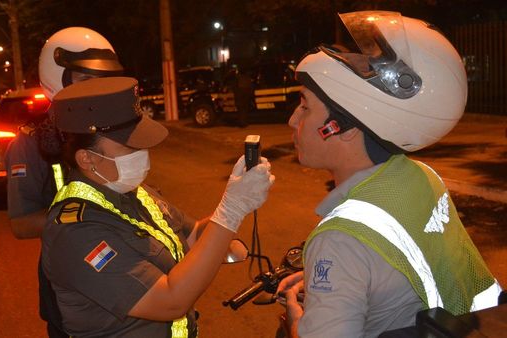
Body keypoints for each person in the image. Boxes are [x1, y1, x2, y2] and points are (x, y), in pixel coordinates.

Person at [276, 11, 502, 338]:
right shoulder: (423, 176)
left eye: (305, 106)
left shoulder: (339, 241)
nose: (293, 120)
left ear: (341, 128)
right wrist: (335, 282)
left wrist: (295, 317)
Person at [41, 76, 274, 337]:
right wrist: (232, 210)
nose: (142, 151)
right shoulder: (75, 232)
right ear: (86, 158)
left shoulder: (129, 190)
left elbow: (193, 234)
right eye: (129, 145)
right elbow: (170, 302)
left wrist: (236, 193)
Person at [3, 27, 124, 337]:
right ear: (57, 79)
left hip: (122, 271)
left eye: (101, 80)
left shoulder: (110, 130)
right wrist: (89, 213)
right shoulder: (31, 143)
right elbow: (21, 224)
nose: (96, 89)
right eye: (85, 80)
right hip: (68, 282)